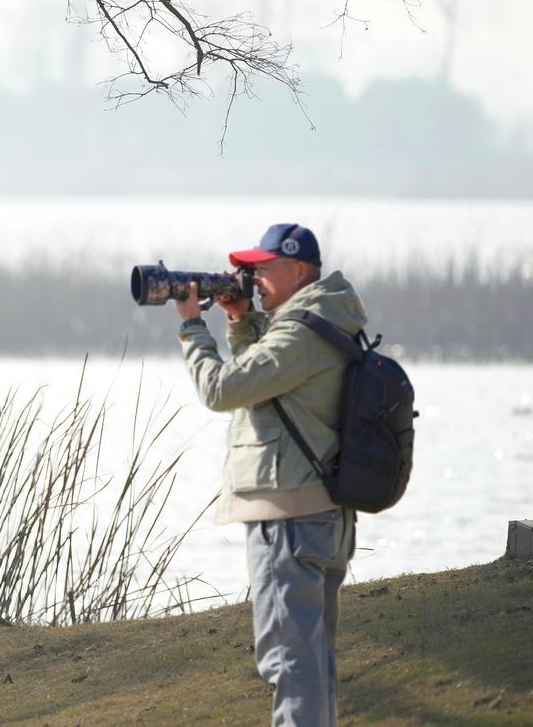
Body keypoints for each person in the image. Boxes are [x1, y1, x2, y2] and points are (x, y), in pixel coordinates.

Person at [174, 223, 363, 727]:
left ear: (299, 269)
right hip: (320, 513)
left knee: (290, 662)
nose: (252, 276)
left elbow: (222, 390)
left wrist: (194, 327)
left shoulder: (298, 332)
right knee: (312, 660)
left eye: (264, 267)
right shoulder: (323, 320)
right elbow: (273, 384)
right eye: (249, 267)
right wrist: (240, 322)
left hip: (289, 516)